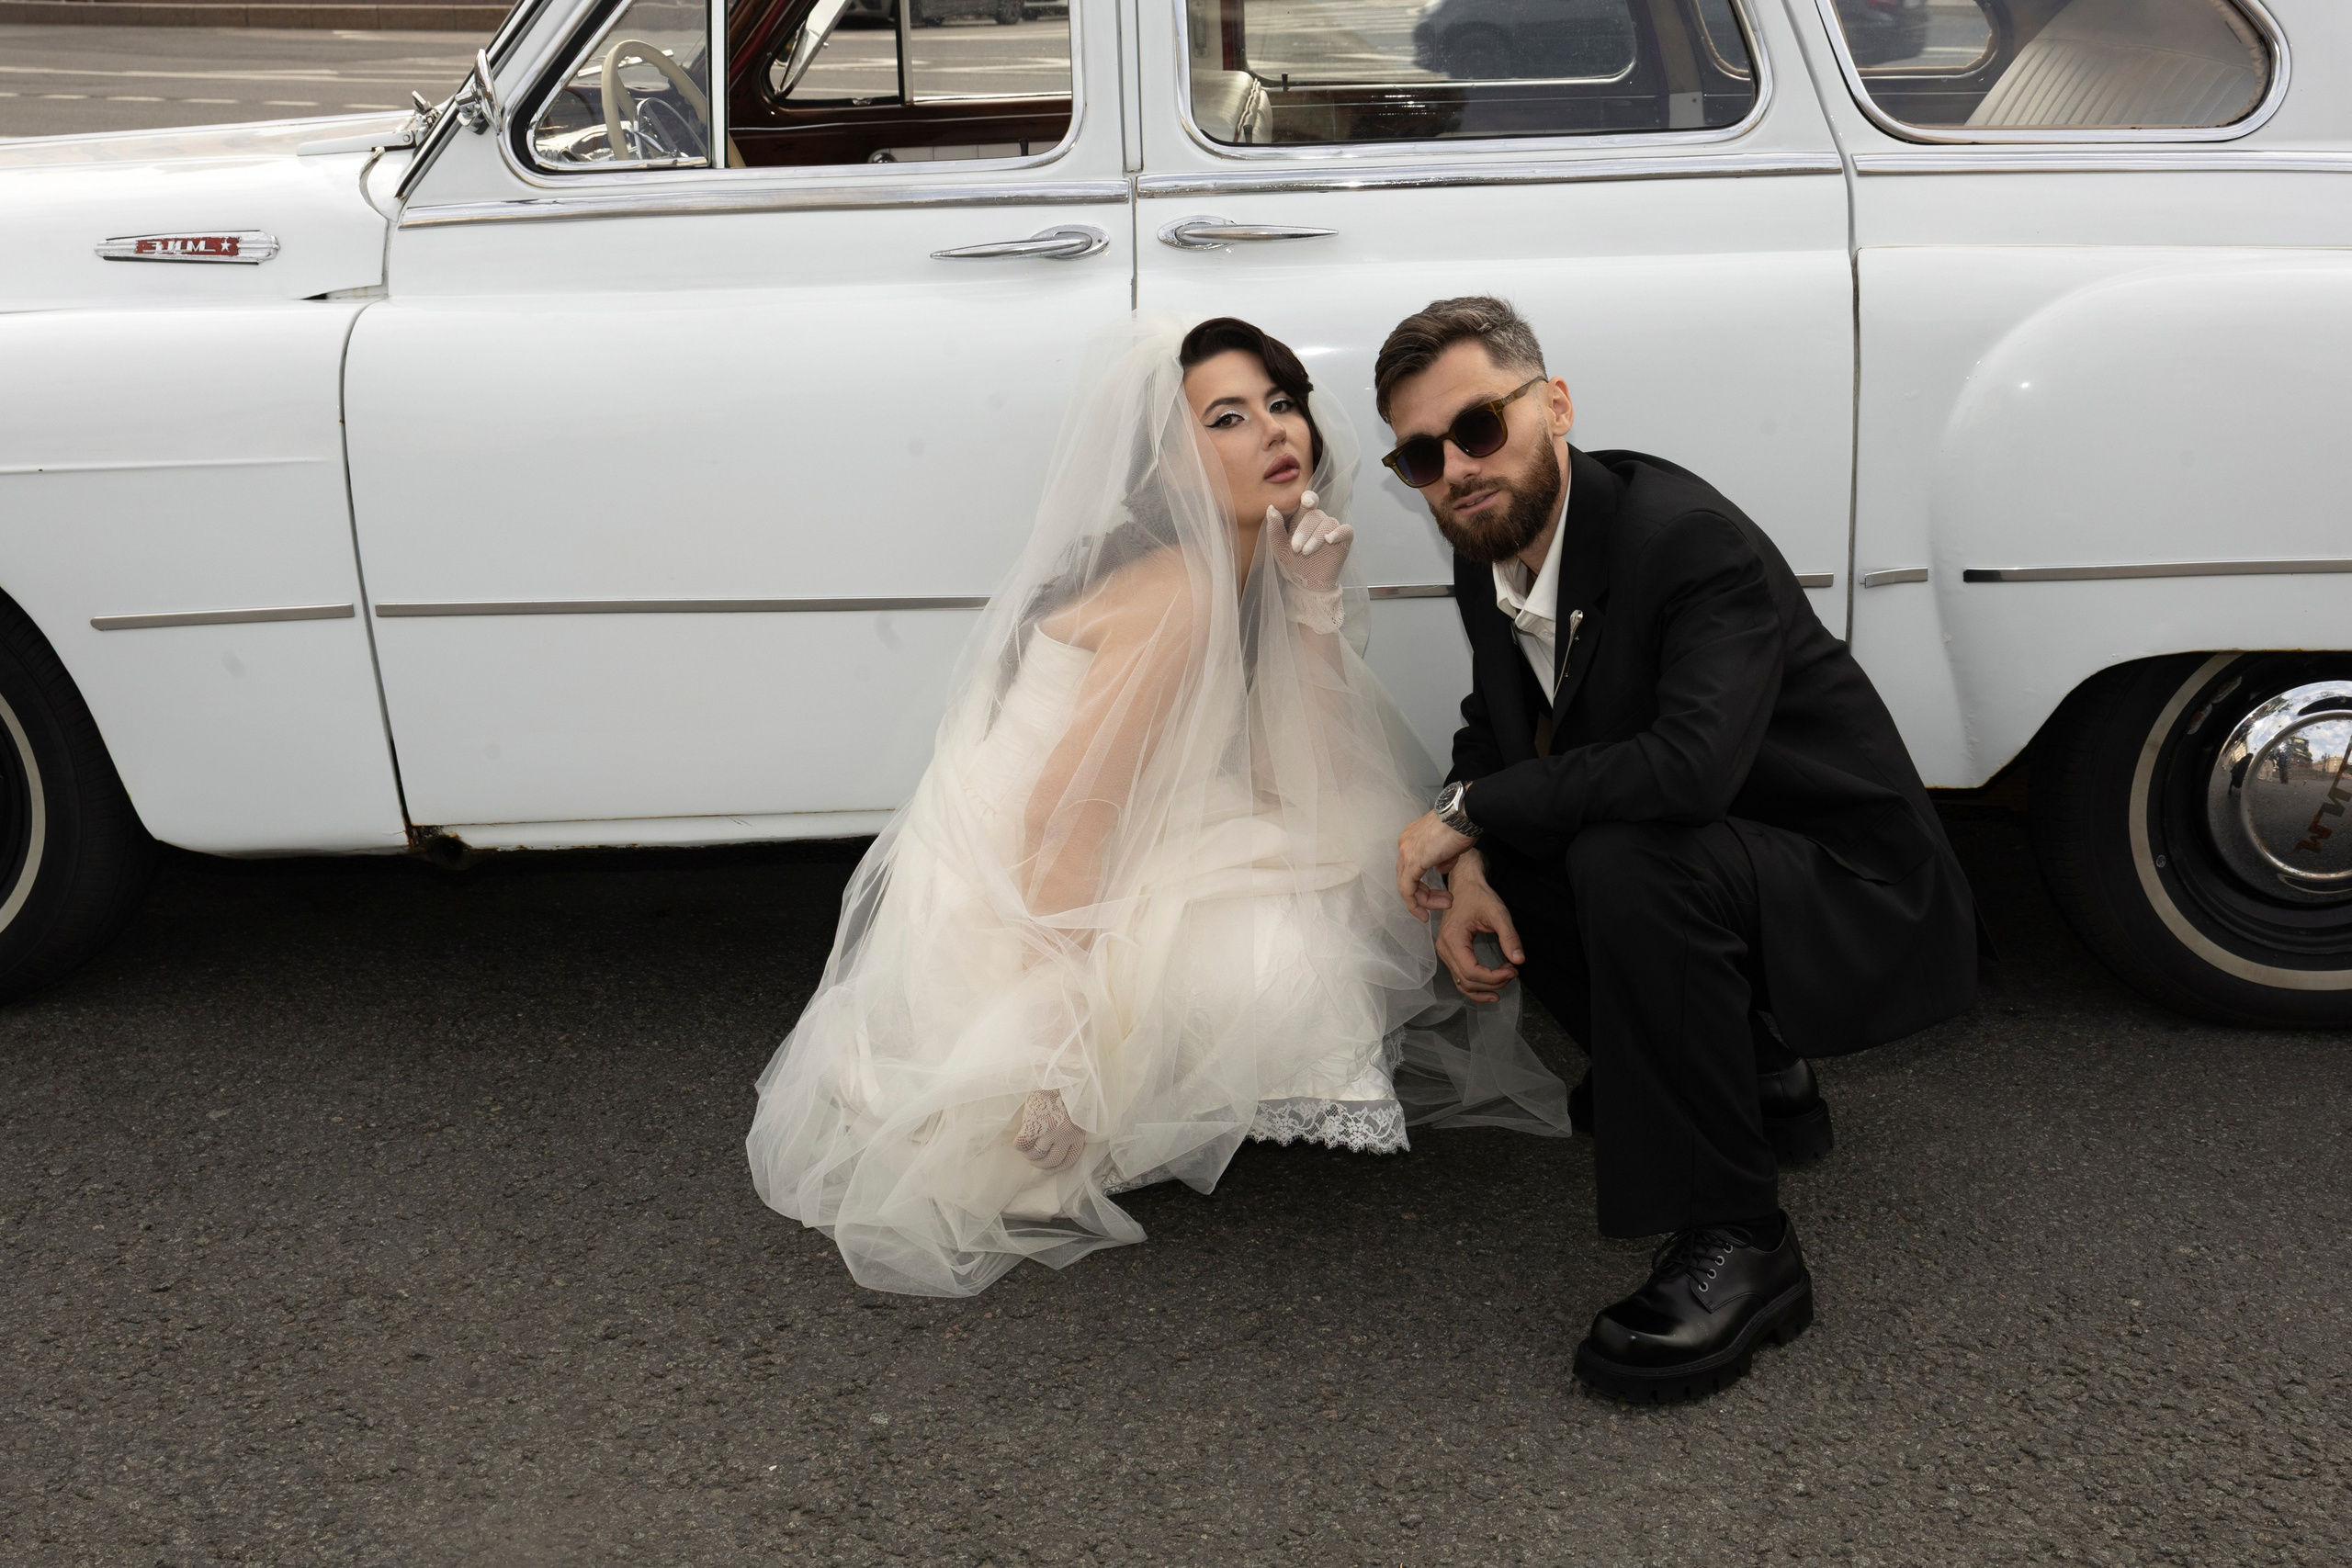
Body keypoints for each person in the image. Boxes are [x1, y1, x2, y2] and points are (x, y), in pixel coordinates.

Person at [748, 318, 1567, 1297]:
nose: (1275, 432)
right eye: (1226, 417)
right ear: (1170, 468)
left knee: (1348, 831)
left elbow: (1305, 764)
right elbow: (1063, 819)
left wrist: (1309, 603)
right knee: (1292, 935)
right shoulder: (1176, 591)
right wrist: (1054, 1041)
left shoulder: (1257, 552)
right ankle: (1095, 1073)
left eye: (1279, 403)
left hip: (1115, 827)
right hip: (1026, 884)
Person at [1380, 296, 1978, 1401]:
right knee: (1531, 838)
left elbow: (1690, 768)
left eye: (1478, 428)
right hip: (1732, 867)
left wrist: (1471, 814)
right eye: (1421, 454)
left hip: (1850, 887)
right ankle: (1751, 1074)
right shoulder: (1492, 546)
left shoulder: (1681, 539)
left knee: (1623, 855)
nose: (1456, 469)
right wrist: (1466, 860)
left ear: (1553, 406)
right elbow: (1497, 726)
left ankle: (1743, 1244)